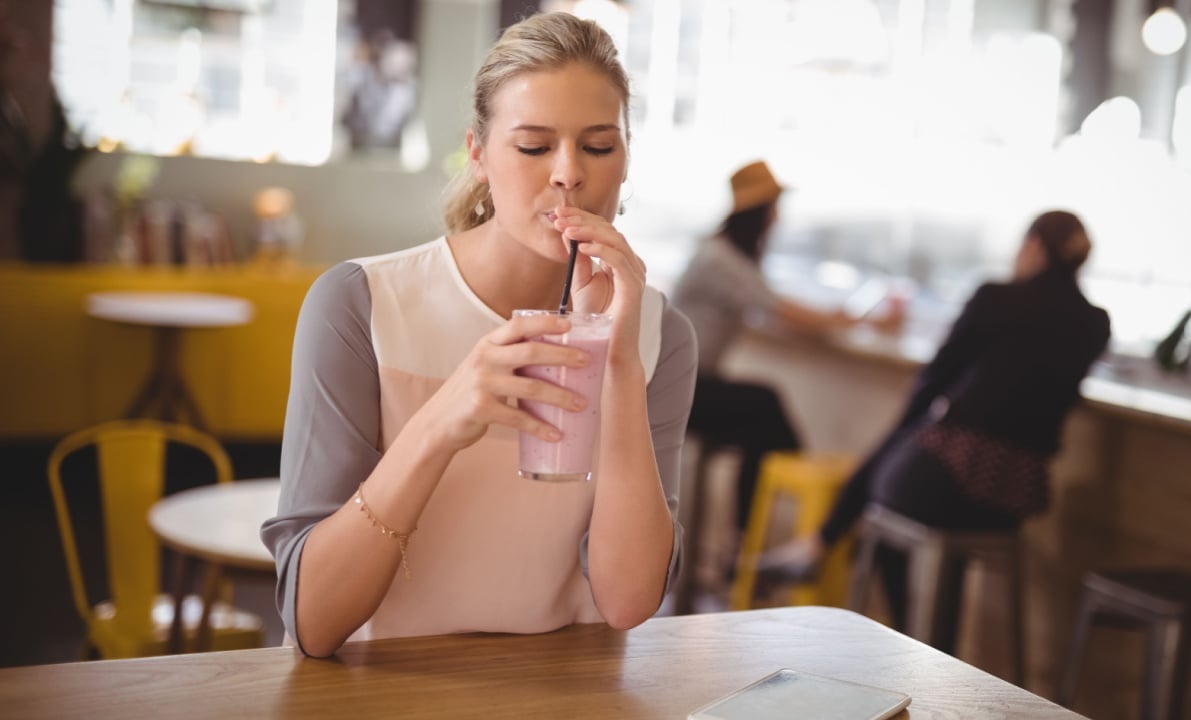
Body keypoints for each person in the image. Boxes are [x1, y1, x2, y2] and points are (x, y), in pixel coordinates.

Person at [261, 12, 697, 658]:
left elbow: (629, 601)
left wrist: (621, 366)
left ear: (625, 160)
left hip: (567, 698)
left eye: (599, 146)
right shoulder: (360, 305)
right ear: (478, 155)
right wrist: (440, 423)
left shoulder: (662, 336)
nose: (569, 174)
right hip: (380, 693)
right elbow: (314, 620)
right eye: (533, 146)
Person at [758, 210, 1110, 652]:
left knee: (887, 499)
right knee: (903, 470)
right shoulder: (1096, 323)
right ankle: (824, 550)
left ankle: (908, 640)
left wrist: (907, 428)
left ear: (1035, 246)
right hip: (1015, 496)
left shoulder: (998, 298)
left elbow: (934, 380)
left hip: (957, 475)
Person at [671, 160, 899, 533]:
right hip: (679, 389)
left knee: (760, 426)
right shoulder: (721, 259)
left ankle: (748, 541)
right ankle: (755, 536)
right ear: (759, 213)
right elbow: (783, 310)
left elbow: (776, 308)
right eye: (774, 208)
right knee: (766, 406)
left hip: (691, 383)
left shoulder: (727, 255)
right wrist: (864, 321)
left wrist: (839, 317)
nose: (777, 218)